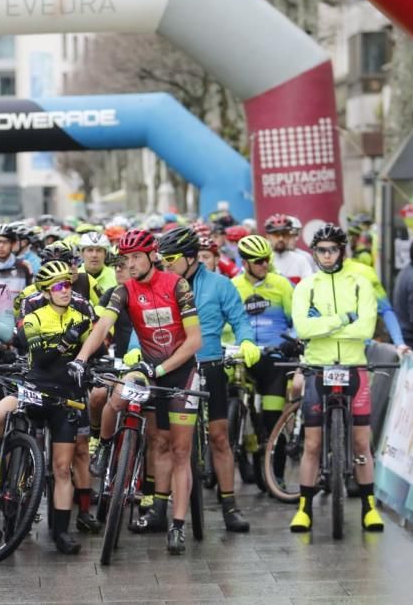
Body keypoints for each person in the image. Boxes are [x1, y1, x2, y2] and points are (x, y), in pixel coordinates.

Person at [73, 229, 202, 555]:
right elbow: (102, 326)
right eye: (125, 258)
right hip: (146, 367)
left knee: (179, 452)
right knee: (116, 399)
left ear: (152, 255)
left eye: (135, 257)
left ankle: (177, 525)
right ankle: (103, 447)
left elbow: (194, 341)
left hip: (182, 373)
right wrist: (80, 358)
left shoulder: (177, 284)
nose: (129, 264)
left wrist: (160, 369)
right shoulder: (124, 290)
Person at [153, 227, 257, 533]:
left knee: (220, 438)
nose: (165, 264)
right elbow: (144, 324)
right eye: (162, 258)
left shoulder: (220, 285)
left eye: (170, 258)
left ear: (189, 257)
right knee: (164, 440)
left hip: (209, 365)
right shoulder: (160, 285)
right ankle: (159, 508)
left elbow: (239, 320)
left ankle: (229, 505)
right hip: (173, 368)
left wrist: (247, 341)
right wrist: (134, 349)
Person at [0, 260, 95, 554]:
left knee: (62, 468)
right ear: (46, 292)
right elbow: (43, 358)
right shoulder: (35, 317)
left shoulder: (80, 314)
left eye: (68, 284)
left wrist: (87, 357)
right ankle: (2, 478)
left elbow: (93, 352)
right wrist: (68, 340)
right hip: (35, 391)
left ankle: (61, 532)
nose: (65, 290)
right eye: (58, 286)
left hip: (66, 397)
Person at [289, 224, 382, 534]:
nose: (327, 256)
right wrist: (343, 319)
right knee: (312, 444)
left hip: (354, 365)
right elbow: (303, 329)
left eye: (332, 250)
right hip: (318, 367)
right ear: (314, 253)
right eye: (321, 250)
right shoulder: (305, 286)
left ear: (342, 251)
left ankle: (369, 507)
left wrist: (323, 325)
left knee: (360, 442)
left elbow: (366, 329)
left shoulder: (360, 283)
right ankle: (304, 508)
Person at [231, 234, 294, 476]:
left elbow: (296, 320)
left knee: (273, 418)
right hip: (241, 357)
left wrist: (291, 340)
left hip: (273, 358)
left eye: (266, 259)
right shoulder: (233, 286)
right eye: (258, 261)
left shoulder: (282, 285)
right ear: (244, 263)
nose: (265, 264)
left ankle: (276, 476)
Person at [264, 213, 315, 284]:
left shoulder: (301, 260)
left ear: (289, 235)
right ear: (268, 236)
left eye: (284, 234)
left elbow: (309, 287)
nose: (281, 238)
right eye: (276, 234)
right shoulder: (262, 261)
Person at [74, 230, 116, 304]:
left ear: (105, 254)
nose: (94, 255)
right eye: (90, 250)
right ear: (82, 254)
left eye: (99, 250)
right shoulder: (74, 276)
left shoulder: (115, 276)